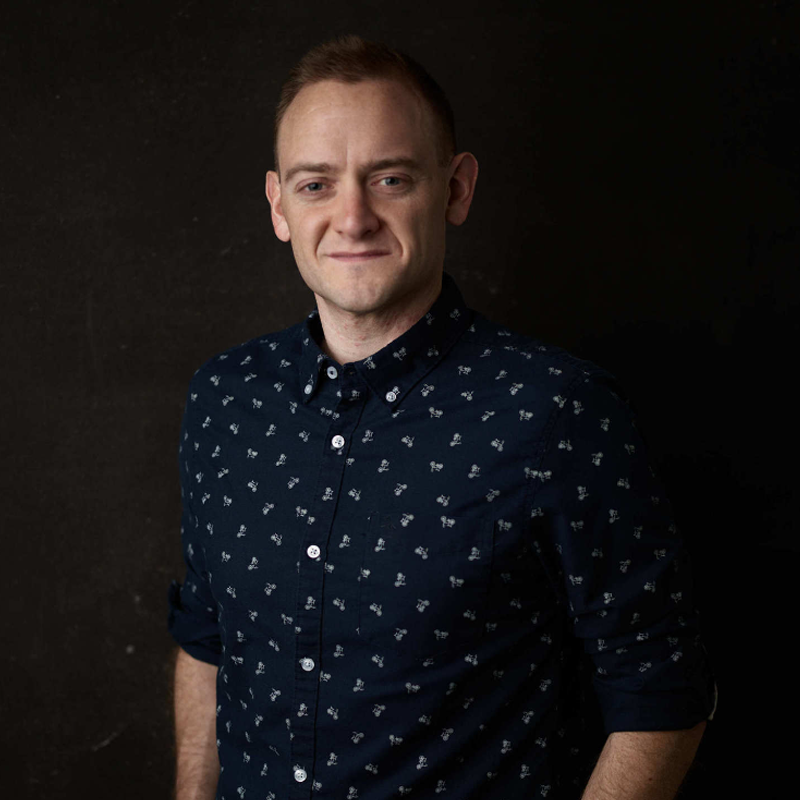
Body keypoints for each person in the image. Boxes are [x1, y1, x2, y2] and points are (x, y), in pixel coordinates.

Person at [167, 34, 717, 800]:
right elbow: (206, 638)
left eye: (389, 179)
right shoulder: (225, 400)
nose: (352, 218)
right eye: (317, 184)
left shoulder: (558, 412)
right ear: (279, 206)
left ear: (455, 189)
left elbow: (661, 694)